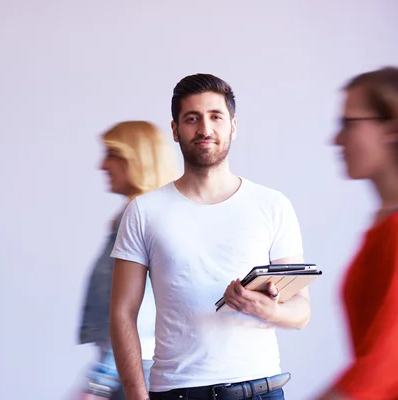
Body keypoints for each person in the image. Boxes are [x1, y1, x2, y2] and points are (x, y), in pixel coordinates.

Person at [109, 73, 312, 400]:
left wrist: (263, 308)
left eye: (216, 117)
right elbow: (122, 312)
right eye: (192, 119)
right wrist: (136, 395)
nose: (205, 129)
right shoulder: (144, 211)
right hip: (176, 392)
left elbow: (301, 311)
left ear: (233, 125)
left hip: (259, 390)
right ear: (175, 130)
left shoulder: (273, 205)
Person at [77, 121, 179, 399]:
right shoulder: (134, 215)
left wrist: (101, 379)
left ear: (138, 160)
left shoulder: (140, 218)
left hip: (132, 372)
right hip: (128, 370)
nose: (102, 165)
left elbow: (139, 307)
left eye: (112, 154)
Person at [315, 67, 398, 400]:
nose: (336, 139)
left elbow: (380, 368)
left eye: (348, 124)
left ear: (392, 129)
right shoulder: (380, 228)